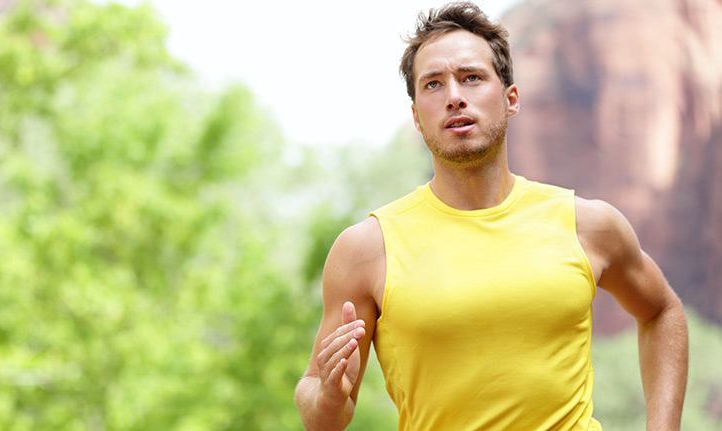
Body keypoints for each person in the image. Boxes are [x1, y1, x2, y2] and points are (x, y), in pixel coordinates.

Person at [293, 2, 689, 430]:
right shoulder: (368, 249)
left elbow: (661, 311)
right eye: (432, 85)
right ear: (416, 117)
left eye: (471, 77)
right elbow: (319, 410)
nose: (454, 96)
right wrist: (330, 397)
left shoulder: (587, 225)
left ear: (511, 98)